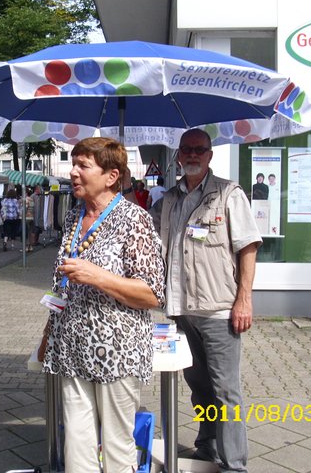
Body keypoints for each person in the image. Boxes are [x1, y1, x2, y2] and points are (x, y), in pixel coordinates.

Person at [41, 137, 165, 473]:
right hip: (71, 348)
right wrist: (47, 335)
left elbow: (152, 293)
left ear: (111, 176)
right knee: (77, 442)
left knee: (116, 444)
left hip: (116, 351)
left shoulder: (134, 220)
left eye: (83, 165)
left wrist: (97, 276)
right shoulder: (72, 218)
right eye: (73, 164)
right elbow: (61, 286)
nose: (73, 172)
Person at [151, 128, 262, 472]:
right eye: (186, 150)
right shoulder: (168, 200)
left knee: (225, 391)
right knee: (198, 386)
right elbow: (144, 236)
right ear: (179, 156)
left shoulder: (228, 194)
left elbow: (248, 247)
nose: (192, 155)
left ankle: (234, 465)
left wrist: (244, 300)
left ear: (210, 155)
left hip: (218, 310)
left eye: (199, 149)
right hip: (181, 310)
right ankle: (208, 446)